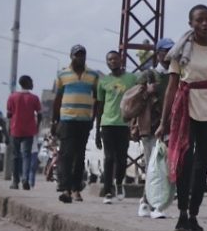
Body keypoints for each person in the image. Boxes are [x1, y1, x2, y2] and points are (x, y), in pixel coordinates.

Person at [157, 5, 207, 231]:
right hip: (185, 108)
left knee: (202, 164)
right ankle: (181, 213)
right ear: (191, 23)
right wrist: (163, 122)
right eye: (200, 20)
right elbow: (171, 88)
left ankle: (193, 214)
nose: (204, 24)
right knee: (185, 161)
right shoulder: (181, 50)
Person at [51, 45, 99, 204]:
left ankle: (76, 189)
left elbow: (97, 98)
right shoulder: (62, 74)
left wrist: (93, 119)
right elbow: (57, 99)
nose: (80, 58)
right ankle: (65, 189)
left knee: (80, 157)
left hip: (84, 121)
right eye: (77, 55)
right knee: (66, 155)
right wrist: (54, 121)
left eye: (82, 55)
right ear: (71, 56)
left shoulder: (92, 75)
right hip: (67, 120)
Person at [96, 50, 138, 203]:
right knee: (109, 158)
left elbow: (139, 95)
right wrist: (96, 132)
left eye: (114, 59)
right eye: (109, 60)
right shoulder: (103, 81)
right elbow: (99, 107)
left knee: (121, 158)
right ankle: (107, 190)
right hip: (107, 123)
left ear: (121, 60)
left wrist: (135, 123)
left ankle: (119, 183)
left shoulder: (131, 78)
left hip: (124, 123)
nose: (112, 62)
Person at [127, 69, 168, 219]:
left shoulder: (173, 74)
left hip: (167, 129)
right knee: (154, 167)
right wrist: (148, 91)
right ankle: (151, 203)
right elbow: (134, 101)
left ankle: (151, 202)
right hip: (149, 129)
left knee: (162, 168)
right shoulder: (148, 74)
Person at [6, 75, 42, 190]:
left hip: (15, 130)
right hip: (29, 130)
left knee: (15, 156)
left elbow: (9, 115)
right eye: (31, 81)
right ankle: (25, 179)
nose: (33, 83)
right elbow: (40, 114)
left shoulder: (12, 97)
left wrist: (9, 129)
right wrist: (37, 126)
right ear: (26, 83)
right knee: (26, 155)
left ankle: (15, 181)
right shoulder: (34, 98)